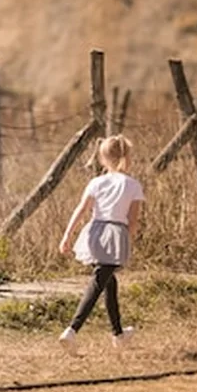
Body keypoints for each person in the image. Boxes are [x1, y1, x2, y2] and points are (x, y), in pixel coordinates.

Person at [56, 134, 144, 354]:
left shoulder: (96, 182)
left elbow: (81, 209)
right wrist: (126, 240)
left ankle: (118, 334)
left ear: (103, 159)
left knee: (108, 281)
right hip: (115, 232)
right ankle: (72, 330)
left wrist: (67, 235)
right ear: (126, 157)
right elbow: (133, 221)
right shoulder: (133, 185)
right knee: (99, 281)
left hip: (94, 232)